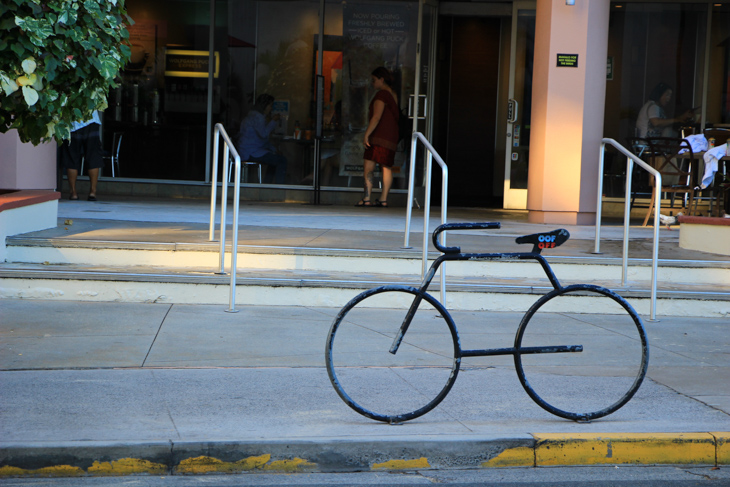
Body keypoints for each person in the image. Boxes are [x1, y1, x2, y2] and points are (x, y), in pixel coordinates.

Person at [356, 67, 399, 207]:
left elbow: (376, 117)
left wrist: (367, 135)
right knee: (386, 167)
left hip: (379, 135)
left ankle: (367, 198)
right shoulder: (393, 94)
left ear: (381, 79)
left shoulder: (381, 95)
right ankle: (383, 199)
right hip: (391, 137)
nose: (372, 83)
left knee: (369, 165)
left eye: (374, 80)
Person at [236, 93, 287, 184]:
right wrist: (273, 121)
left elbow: (262, 140)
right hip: (252, 152)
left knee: (275, 160)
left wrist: (273, 149)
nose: (271, 108)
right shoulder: (258, 118)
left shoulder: (252, 116)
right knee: (282, 161)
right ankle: (278, 188)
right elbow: (264, 135)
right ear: (264, 106)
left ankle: (267, 184)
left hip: (246, 151)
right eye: (270, 105)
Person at [58, 111, 103, 201]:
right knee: (93, 155)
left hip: (72, 122)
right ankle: (93, 192)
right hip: (91, 120)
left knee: (71, 156)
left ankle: (73, 193)